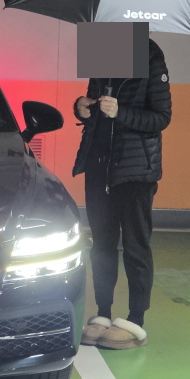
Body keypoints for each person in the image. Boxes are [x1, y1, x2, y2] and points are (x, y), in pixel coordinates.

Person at [72, 38, 171, 350]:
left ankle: (135, 320)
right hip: (98, 165)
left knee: (135, 245)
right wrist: (83, 109)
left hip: (135, 170)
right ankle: (102, 314)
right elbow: (94, 106)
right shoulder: (103, 46)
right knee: (101, 245)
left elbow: (161, 117)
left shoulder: (150, 53)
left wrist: (120, 112)